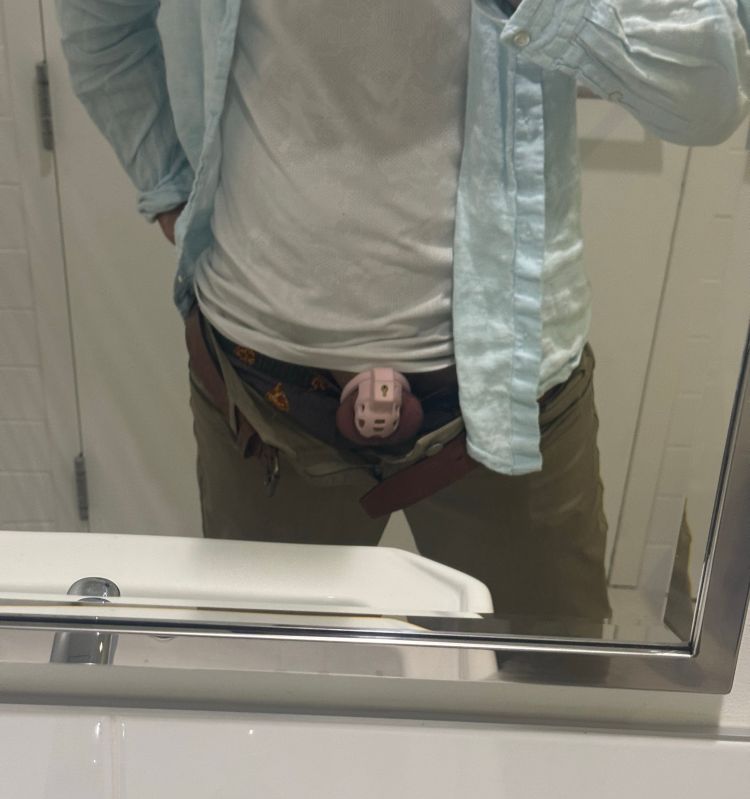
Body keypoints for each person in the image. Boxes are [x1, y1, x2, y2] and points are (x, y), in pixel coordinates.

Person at [55, 0, 749, 633]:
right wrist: (167, 184)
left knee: (549, 696)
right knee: (276, 696)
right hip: (261, 393)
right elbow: (100, 20)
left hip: (508, 401)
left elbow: (713, 88)